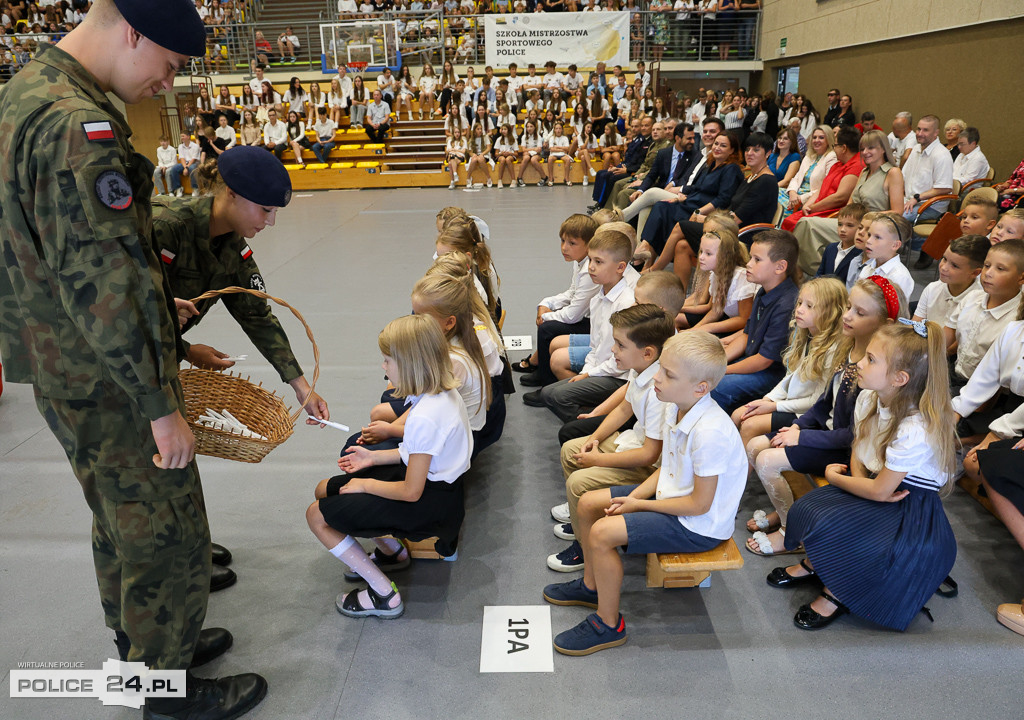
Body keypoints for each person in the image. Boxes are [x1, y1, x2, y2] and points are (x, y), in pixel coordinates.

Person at [0, 1, 266, 718]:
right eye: (170, 66)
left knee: (120, 521)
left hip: (68, 361)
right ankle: (164, 689)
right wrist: (158, 403)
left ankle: (147, 647)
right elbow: (103, 280)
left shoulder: (26, 93)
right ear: (132, 33)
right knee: (165, 532)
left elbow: (67, 259)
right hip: (113, 380)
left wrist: (157, 309)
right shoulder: (75, 126)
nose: (167, 85)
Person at [544, 331, 747, 654]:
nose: (658, 379)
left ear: (701, 387)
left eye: (669, 374)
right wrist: (635, 497)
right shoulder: (675, 405)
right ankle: (591, 586)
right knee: (588, 503)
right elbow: (666, 469)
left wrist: (638, 504)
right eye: (661, 368)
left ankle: (608, 624)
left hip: (698, 526)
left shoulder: (710, 433)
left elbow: (698, 505)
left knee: (601, 534)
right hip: (672, 499)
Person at [774, 321, 957, 633]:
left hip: (911, 507)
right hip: (877, 484)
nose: (859, 362)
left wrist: (837, 481)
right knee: (809, 509)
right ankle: (820, 564)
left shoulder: (915, 429)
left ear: (900, 379)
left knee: (861, 538)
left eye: (871, 359)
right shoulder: (870, 396)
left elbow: (882, 491)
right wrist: (856, 483)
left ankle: (838, 592)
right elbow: (859, 445)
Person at [307, 315, 472, 618]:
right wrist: (373, 458)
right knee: (324, 489)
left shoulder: (425, 415)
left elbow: (411, 491)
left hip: (430, 502)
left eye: (387, 361)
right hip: (440, 488)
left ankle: (384, 595)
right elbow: (418, 453)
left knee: (316, 515)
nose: (383, 367)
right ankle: (392, 553)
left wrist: (366, 484)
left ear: (410, 364)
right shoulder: (439, 393)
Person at [744, 276, 903, 555]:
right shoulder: (847, 346)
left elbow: (853, 434)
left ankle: (791, 533)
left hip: (841, 448)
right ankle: (786, 512)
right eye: (849, 307)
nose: (848, 316)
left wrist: (803, 436)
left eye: (860, 312)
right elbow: (823, 401)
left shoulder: (878, 369)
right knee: (755, 445)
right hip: (823, 434)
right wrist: (796, 426)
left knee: (768, 460)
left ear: (884, 323)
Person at [547, 304, 673, 574]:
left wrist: (600, 459)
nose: (613, 350)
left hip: (649, 469)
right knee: (574, 448)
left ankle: (584, 548)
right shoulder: (641, 368)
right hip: (635, 444)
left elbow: (650, 456)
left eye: (619, 344)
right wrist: (594, 437)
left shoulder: (657, 391)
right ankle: (582, 516)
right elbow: (624, 407)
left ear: (648, 352)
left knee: (579, 481)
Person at [957, 316, 1024, 636]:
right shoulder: (1015, 330)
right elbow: (981, 384)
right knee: (984, 461)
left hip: (1012, 417)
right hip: (1014, 417)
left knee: (994, 461)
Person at [524, 229, 636, 421]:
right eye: (590, 260)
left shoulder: (625, 304)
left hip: (618, 376)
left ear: (620, 267)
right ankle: (590, 415)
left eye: (598, 262)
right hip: (602, 368)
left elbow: (621, 362)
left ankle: (593, 424)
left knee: (558, 396)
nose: (591, 267)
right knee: (548, 393)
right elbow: (596, 347)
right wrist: (586, 373)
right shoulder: (598, 298)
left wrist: (588, 375)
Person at [712, 229, 801, 413]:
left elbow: (764, 361)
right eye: (751, 257)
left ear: (780, 267)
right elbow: (747, 334)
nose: (748, 264)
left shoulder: (787, 304)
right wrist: (719, 362)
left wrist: (722, 371)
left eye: (757, 260)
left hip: (771, 373)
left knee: (717, 386)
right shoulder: (763, 290)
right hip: (753, 359)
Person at [517, 214, 600, 384]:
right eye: (562, 241)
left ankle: (545, 378)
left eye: (572, 243)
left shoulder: (589, 271)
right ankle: (538, 362)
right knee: (549, 316)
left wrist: (545, 316)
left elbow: (574, 315)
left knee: (547, 328)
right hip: (588, 316)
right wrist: (546, 303)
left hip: (595, 324)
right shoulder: (580, 261)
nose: (564, 248)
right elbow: (572, 293)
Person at [912, 235, 988, 329]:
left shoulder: (980, 301)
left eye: (955, 266)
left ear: (975, 273)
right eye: (944, 259)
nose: (943, 267)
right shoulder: (932, 288)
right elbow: (914, 325)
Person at [856, 212, 914, 298]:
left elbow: (894, 310)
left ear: (895, 245)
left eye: (877, 237)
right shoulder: (868, 268)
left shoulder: (899, 277)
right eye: (869, 235)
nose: (868, 241)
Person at [170, 131, 202, 197]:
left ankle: (195, 188)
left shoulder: (195, 146)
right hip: (185, 163)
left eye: (183, 136)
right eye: (181, 136)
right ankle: (178, 188)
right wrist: (185, 167)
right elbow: (182, 158)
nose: (181, 138)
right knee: (174, 169)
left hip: (194, 163)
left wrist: (187, 168)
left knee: (192, 168)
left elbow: (194, 159)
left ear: (188, 137)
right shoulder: (180, 146)